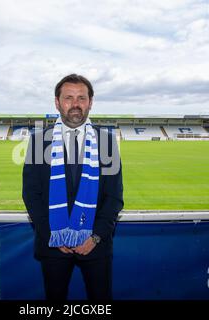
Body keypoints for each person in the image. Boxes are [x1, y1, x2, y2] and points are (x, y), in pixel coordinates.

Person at [22, 74, 124, 300]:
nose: (75, 104)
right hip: (53, 246)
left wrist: (95, 237)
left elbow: (114, 197)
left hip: (95, 247)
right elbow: (31, 194)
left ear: (90, 102)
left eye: (81, 98)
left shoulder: (106, 141)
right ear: (57, 102)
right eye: (68, 98)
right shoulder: (40, 141)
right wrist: (54, 235)